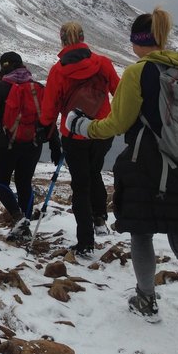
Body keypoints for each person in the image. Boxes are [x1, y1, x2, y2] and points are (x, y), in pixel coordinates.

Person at [66, 7, 178, 354]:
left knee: (141, 232)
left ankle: (146, 299)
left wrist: (81, 127)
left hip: (148, 169)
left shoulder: (138, 72)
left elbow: (115, 124)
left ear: (137, 41)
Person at [38, 21, 120, 257]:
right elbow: (119, 91)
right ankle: (100, 218)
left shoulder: (58, 71)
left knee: (80, 184)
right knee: (94, 172)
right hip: (102, 130)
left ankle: (85, 241)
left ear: (62, 40)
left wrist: (46, 129)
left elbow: (50, 108)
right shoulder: (103, 63)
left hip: (74, 135)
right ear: (83, 38)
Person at [0, 51, 60, 241]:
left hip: (4, 143)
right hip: (32, 144)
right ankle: (25, 227)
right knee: (24, 183)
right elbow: (47, 118)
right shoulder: (37, 87)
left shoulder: (0, 87)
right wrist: (55, 142)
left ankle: (18, 217)